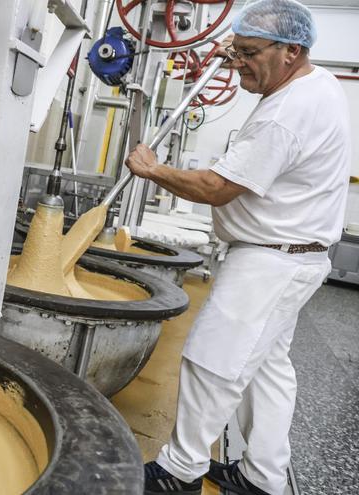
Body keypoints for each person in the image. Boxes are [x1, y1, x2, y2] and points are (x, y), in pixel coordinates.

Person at [125, 1, 352, 494]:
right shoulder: (316, 85)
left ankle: (178, 472)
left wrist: (153, 169)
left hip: (271, 259)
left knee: (213, 360)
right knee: (266, 372)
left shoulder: (286, 113)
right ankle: (263, 477)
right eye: (236, 51)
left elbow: (216, 187)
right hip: (294, 254)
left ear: (292, 50)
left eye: (249, 52)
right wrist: (239, 54)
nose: (239, 62)